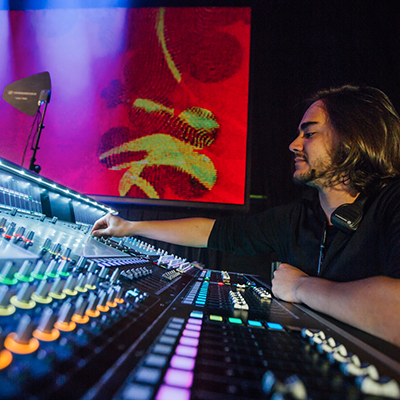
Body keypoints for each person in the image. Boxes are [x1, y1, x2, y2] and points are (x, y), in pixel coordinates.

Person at [91, 85, 400, 347]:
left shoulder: (393, 203)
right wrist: (129, 226)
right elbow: (210, 232)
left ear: (352, 138)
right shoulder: (297, 218)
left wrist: (300, 287)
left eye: (309, 134)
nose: (293, 145)